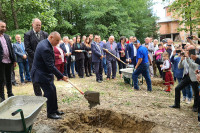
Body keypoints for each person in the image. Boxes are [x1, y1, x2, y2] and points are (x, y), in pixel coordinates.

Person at [31, 31, 68, 119]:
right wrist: (62, 76)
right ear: (51, 37)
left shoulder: (45, 43)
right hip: (40, 74)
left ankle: (55, 110)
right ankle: (51, 113)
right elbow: (50, 66)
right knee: (49, 92)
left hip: (45, 73)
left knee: (53, 90)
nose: (58, 43)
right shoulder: (45, 48)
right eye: (57, 40)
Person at [170, 45, 199, 112]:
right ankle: (176, 104)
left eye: (188, 50)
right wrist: (181, 60)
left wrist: (188, 58)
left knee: (196, 92)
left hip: (194, 77)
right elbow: (179, 67)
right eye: (186, 49)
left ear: (192, 50)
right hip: (186, 76)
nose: (186, 51)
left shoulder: (196, 57)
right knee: (177, 88)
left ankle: (195, 107)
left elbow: (193, 66)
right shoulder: (185, 58)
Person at [24, 18, 48, 96]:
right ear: (32, 25)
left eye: (39, 25)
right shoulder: (27, 34)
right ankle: (38, 95)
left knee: (44, 77)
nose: (38, 26)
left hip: (44, 61)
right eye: (36, 25)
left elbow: (47, 47)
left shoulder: (45, 34)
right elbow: (27, 48)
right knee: (35, 79)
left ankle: (46, 93)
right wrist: (37, 56)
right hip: (33, 61)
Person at [0, 21, 16, 102]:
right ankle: (2, 97)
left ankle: (10, 93)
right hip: (1, 62)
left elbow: (11, 49)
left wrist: (14, 60)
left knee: (9, 79)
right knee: (1, 80)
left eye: (4, 27)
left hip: (9, 61)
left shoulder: (6, 36)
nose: (4, 28)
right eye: (2, 27)